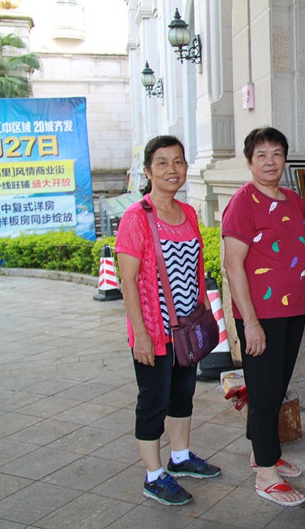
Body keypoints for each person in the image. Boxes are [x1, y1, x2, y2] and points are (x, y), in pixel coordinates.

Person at [116, 135, 221, 507]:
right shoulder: (136, 218)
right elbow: (128, 280)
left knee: (182, 395)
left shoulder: (188, 213)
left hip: (186, 330)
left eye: (178, 161)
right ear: (148, 171)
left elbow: (195, 268)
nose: (171, 169)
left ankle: (180, 457)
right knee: (153, 401)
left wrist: (203, 310)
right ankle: (153, 476)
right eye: (162, 163)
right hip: (155, 332)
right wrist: (141, 335)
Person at [222, 127, 305, 507]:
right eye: (261, 155)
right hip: (260, 315)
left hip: (294, 310)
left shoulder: (293, 200)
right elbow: (233, 266)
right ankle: (265, 475)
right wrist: (250, 323)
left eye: (277, 154)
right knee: (263, 393)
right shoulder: (242, 203)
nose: (270, 161)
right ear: (249, 162)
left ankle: (263, 453)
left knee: (275, 388)